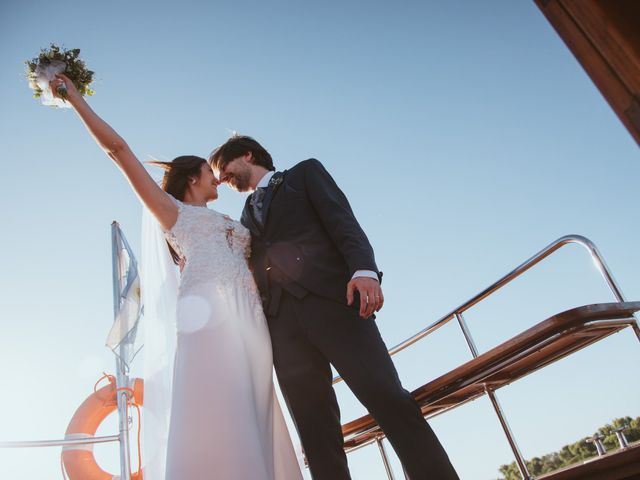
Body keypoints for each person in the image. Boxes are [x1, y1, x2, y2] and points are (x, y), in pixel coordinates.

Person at [49, 74, 303, 480]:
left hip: (252, 321)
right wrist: (73, 96)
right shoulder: (172, 213)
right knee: (219, 410)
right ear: (192, 178)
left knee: (255, 408)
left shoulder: (232, 220)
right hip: (210, 323)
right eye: (209, 170)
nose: (216, 176)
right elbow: (118, 151)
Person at [210, 136, 460, 480]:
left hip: (335, 304)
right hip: (282, 327)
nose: (222, 178)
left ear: (247, 154)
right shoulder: (243, 218)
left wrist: (364, 270)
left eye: (224, 168)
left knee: (387, 398)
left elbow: (342, 221)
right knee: (314, 430)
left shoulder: (303, 175)